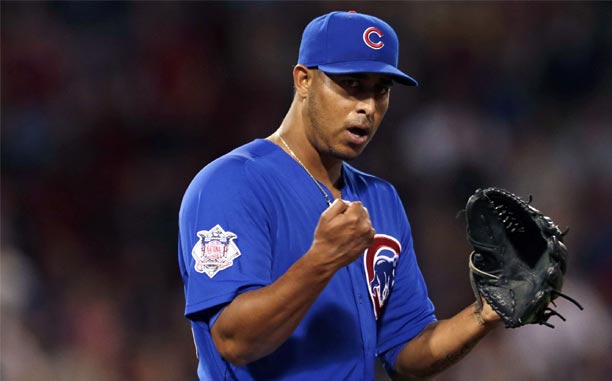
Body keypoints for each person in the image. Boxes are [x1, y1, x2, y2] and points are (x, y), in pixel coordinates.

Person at [178, 10, 500, 380]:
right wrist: (322, 260)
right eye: (351, 85)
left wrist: (486, 312)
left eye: (380, 90)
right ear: (304, 80)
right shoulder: (231, 184)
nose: (367, 106)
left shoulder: (381, 199)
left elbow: (407, 351)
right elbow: (234, 341)